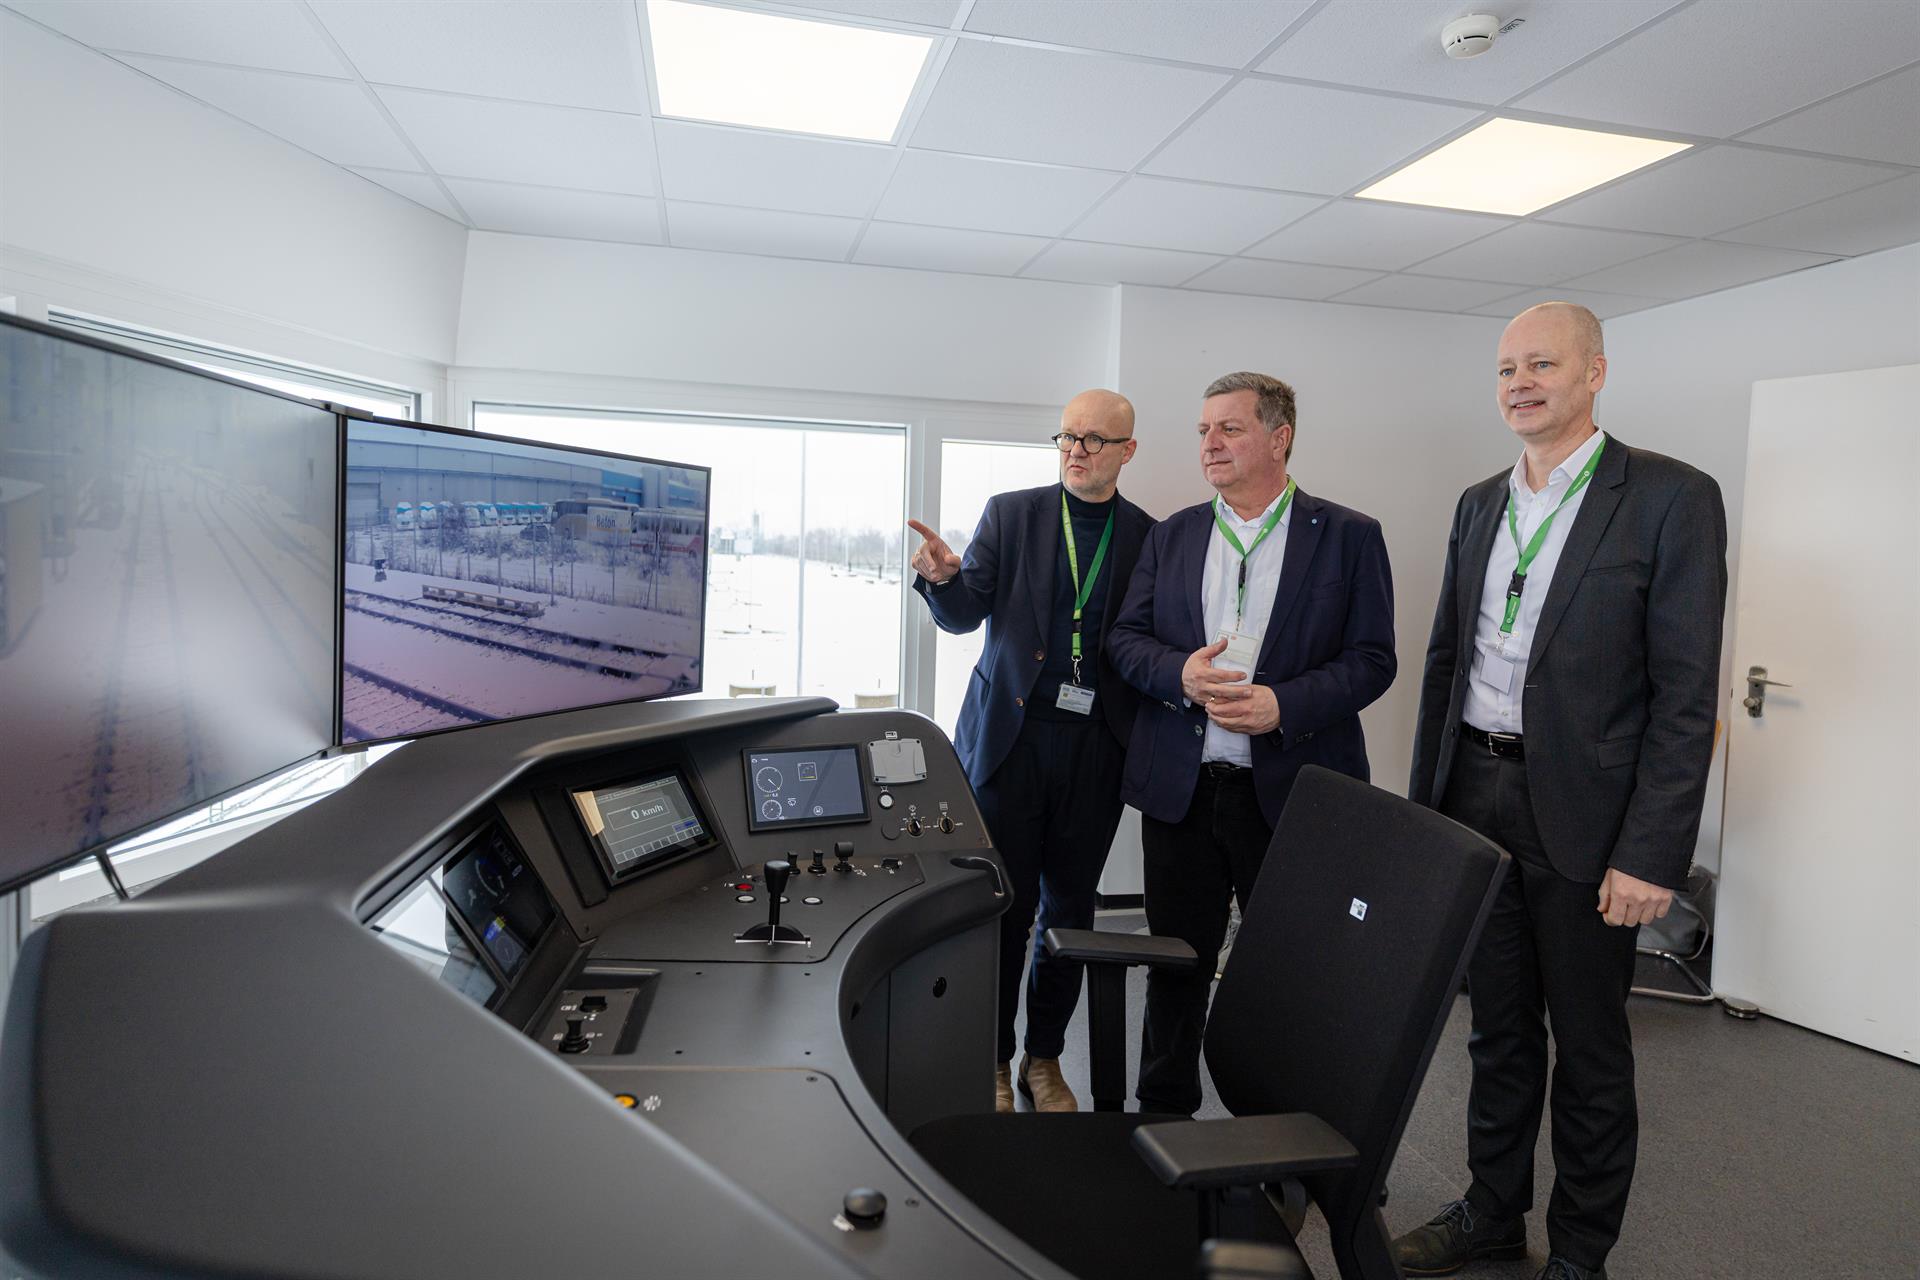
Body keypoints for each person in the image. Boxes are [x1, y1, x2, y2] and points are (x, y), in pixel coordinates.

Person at [1395, 303, 1727, 1280]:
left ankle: (1581, 1251)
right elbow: (1447, 661)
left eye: (1541, 363)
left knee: (1588, 1047)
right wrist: (1427, 812)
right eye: (1505, 368)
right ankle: (1494, 1211)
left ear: (1595, 373)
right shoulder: (1477, 502)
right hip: (1475, 791)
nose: (1519, 383)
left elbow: (1684, 693)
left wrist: (1652, 852)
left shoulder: (1670, 497)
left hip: (1588, 816)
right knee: (1497, 1032)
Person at [1106, 371, 1395, 1118]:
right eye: (1203, 430)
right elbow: (1125, 642)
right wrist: (1181, 676)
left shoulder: (1349, 537)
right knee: (1176, 966)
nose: (1210, 444)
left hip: (1295, 793)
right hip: (1184, 790)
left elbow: (1373, 659)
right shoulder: (1172, 536)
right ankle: (1162, 1119)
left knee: (1291, 973)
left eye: (1229, 428)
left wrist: (1282, 704)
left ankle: (1282, 1132)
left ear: (1279, 437)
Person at [909, 388, 1156, 1113]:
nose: (1076, 450)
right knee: (1003, 910)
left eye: (1094, 440)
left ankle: (1042, 1059)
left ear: (1126, 452)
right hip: (1010, 746)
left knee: (1071, 914)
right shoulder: (1012, 514)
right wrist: (941, 581)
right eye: (1068, 437)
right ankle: (988, 1059)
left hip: (1096, 751)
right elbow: (963, 615)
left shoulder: (1148, 535)